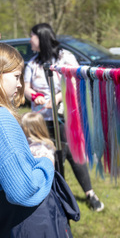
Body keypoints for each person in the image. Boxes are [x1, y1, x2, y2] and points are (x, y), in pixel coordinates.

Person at [0, 40, 76, 238]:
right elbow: (23, 191)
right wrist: (46, 162)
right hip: (29, 219)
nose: (20, 85)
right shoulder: (0, 118)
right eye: (16, 77)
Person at [23, 23, 104, 212]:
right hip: (40, 120)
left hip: (64, 116)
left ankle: (90, 193)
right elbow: (26, 87)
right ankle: (58, 196)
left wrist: (57, 98)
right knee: (50, 156)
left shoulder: (65, 58)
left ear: (41, 37)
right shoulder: (33, 63)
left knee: (73, 154)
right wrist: (35, 96)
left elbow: (77, 80)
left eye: (32, 36)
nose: (29, 40)